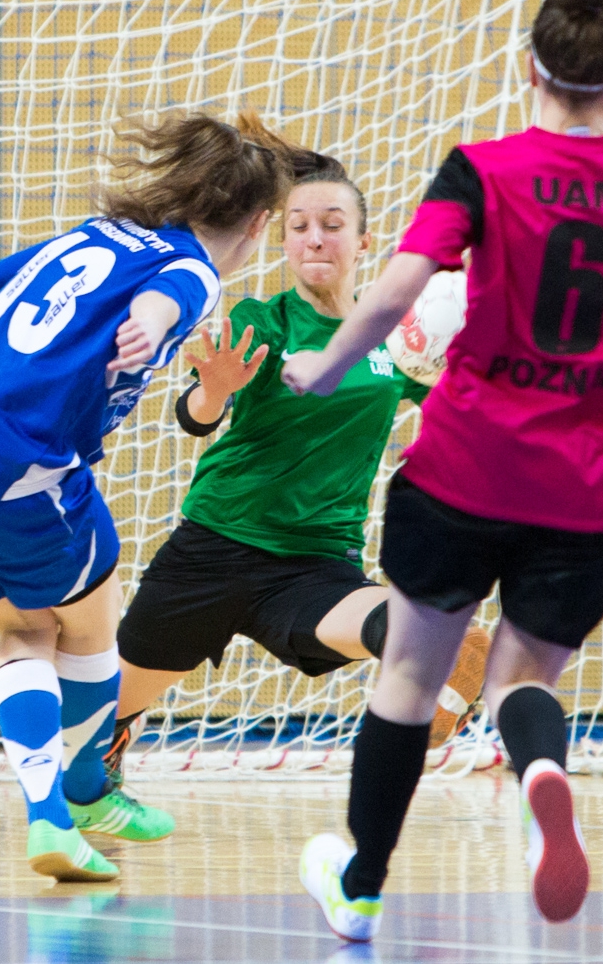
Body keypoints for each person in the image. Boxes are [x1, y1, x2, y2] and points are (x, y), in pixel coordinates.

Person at [282, 0, 603, 940]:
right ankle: (541, 771)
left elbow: (397, 289)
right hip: (594, 496)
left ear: (527, 67)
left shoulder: (481, 169)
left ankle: (361, 885)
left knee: (408, 680)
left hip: (464, 473)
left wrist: (326, 366)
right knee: (524, 678)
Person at [0, 113, 296, 881]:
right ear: (257, 221)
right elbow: (166, 304)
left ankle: (68, 801)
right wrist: (144, 331)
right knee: (95, 614)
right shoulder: (196, 268)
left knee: (24, 627)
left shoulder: (101, 230)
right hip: (17, 458)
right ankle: (71, 798)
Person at [102, 153, 492, 818]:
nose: (316, 237)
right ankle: (107, 743)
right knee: (95, 713)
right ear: (283, 241)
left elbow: (477, 411)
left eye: (333, 224)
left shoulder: (393, 343)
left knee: (396, 618)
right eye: (301, 225)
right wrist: (213, 391)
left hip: (313, 565)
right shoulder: (264, 320)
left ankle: (440, 654)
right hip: (212, 551)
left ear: (362, 242)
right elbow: (198, 414)